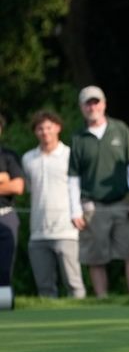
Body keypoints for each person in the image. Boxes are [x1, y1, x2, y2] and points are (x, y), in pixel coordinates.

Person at [68, 86, 129, 297]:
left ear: (104, 104)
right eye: (88, 103)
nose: (93, 107)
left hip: (123, 203)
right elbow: (73, 178)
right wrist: (74, 210)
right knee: (95, 257)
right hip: (93, 206)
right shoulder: (78, 138)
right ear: (82, 107)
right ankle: (103, 301)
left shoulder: (120, 129)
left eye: (96, 102)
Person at [22, 111, 86, 298]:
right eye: (40, 128)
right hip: (38, 232)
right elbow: (28, 189)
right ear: (35, 132)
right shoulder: (28, 159)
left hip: (66, 230)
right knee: (45, 288)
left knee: (74, 285)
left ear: (58, 128)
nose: (45, 132)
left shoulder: (69, 155)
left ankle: (82, 322)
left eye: (49, 127)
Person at [0, 113, 24, 289]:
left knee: (5, 268)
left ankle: (4, 304)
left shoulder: (9, 156)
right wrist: (2, 178)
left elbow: (17, 187)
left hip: (5, 216)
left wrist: (8, 180)